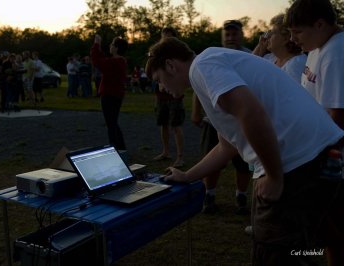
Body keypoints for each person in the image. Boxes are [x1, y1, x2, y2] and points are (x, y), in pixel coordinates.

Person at [145, 37, 344, 266]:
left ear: (171, 65)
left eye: (158, 79)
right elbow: (227, 146)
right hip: (322, 153)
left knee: (276, 256)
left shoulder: (203, 66)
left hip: (295, 163)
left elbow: (250, 111)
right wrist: (188, 176)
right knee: (323, 242)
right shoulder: (212, 65)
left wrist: (273, 176)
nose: (161, 87)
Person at [286, 0, 344, 264]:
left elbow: (338, 117)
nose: (292, 38)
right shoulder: (317, 48)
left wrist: (313, 158)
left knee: (326, 222)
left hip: (329, 154)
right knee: (321, 224)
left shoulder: (337, 52)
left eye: (297, 31)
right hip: (317, 149)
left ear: (320, 24)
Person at [191, 19, 252, 214]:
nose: (231, 37)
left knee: (243, 162)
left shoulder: (250, 56)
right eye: (227, 34)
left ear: (241, 35)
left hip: (241, 120)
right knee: (212, 156)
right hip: (214, 119)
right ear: (222, 37)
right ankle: (209, 194)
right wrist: (196, 111)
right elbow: (198, 85)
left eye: (234, 34)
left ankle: (241, 195)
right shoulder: (212, 55)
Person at [152, 27, 185, 168]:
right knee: (163, 124)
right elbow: (153, 72)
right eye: (164, 37)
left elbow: (183, 74)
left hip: (174, 94)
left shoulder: (180, 55)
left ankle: (180, 157)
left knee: (176, 125)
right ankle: (166, 152)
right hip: (161, 96)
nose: (165, 40)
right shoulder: (156, 54)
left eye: (169, 37)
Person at [90, 34, 128, 150]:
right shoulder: (119, 61)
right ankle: (121, 147)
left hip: (109, 96)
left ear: (116, 48)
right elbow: (103, 60)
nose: (110, 46)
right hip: (116, 95)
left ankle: (115, 148)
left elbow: (97, 60)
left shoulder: (115, 62)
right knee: (113, 122)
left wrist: (96, 44)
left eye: (112, 45)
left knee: (111, 124)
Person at [253, 13, 307, 84]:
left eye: (272, 33)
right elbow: (249, 68)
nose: (268, 36)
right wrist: (260, 46)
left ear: (285, 39)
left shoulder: (296, 63)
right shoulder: (270, 58)